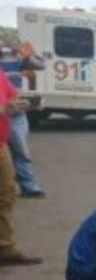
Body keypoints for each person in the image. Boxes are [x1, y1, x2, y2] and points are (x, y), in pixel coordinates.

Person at [0, 74, 41, 266]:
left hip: (1, 143)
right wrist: (5, 108)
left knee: (7, 193)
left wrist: (22, 104)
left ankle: (5, 247)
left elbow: (11, 97)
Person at [1, 46, 44, 197]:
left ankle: (29, 186)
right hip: (5, 110)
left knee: (21, 150)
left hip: (15, 112)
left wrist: (26, 52)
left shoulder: (17, 58)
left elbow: (40, 64)